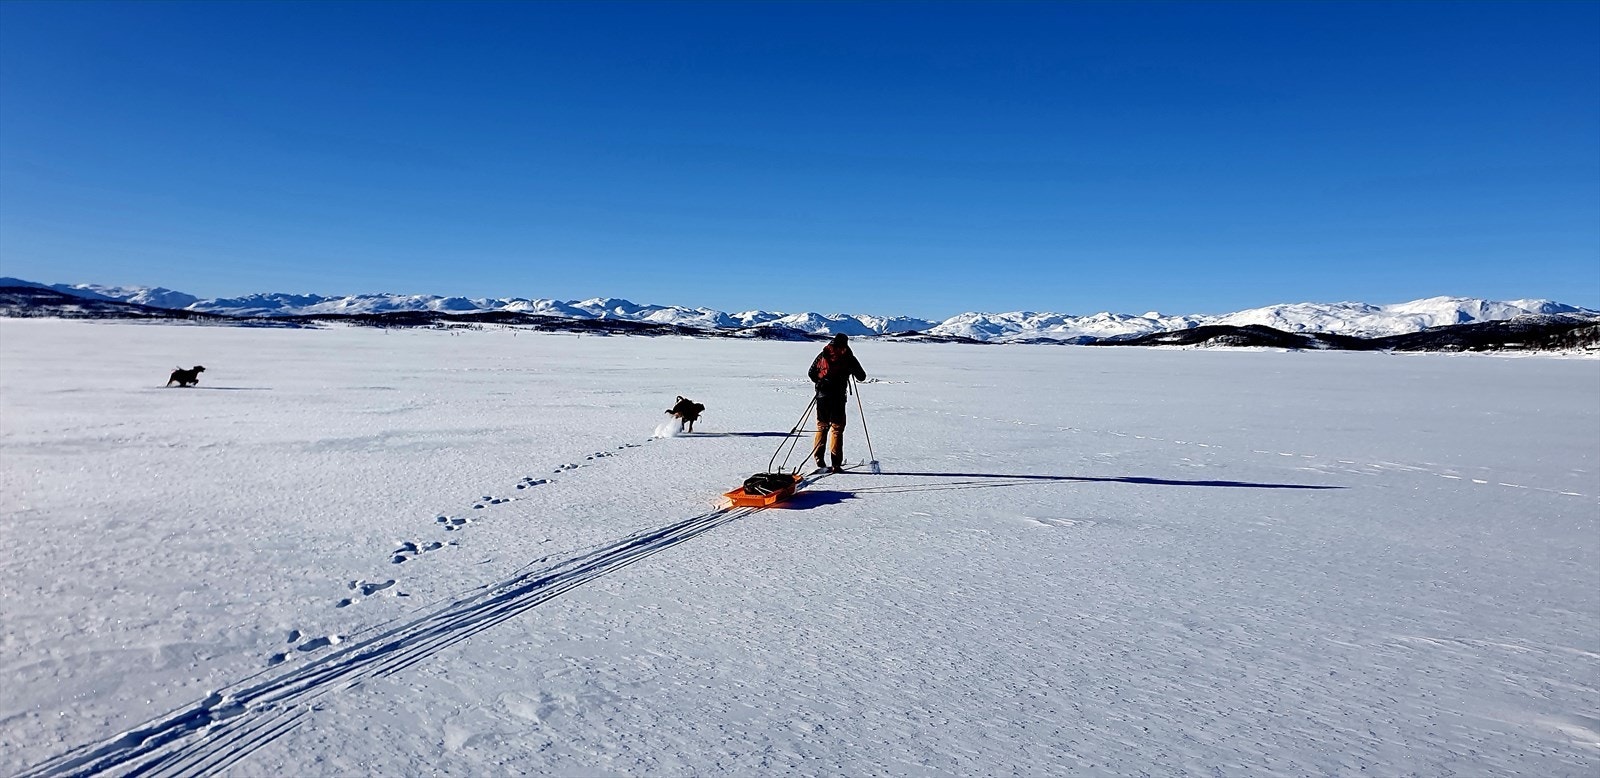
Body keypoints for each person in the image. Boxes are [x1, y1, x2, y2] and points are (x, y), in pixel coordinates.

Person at [808, 333, 867, 472]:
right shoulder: (848, 356)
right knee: (837, 429)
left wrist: (821, 382)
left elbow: (811, 373)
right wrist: (850, 370)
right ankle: (836, 463)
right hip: (838, 398)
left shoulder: (823, 354)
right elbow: (862, 376)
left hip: (822, 396)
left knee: (822, 427)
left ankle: (818, 457)